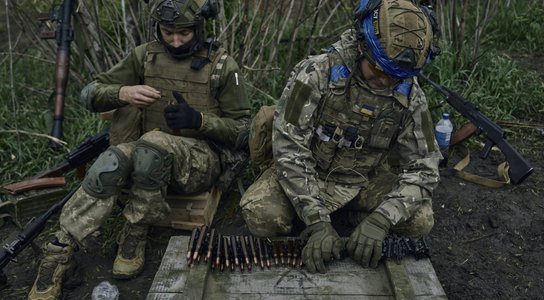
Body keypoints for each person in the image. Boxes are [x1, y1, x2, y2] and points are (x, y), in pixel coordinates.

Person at [29, 0, 250, 298]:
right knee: (112, 160)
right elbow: (89, 93)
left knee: (151, 144)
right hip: (149, 155)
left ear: (197, 28)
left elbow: (243, 131)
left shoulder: (222, 65)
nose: (174, 40)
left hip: (201, 161)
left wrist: (200, 121)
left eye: (183, 33)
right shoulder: (145, 56)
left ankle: (135, 232)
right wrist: (122, 92)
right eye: (168, 32)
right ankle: (60, 248)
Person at [240, 0, 441, 274]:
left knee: (420, 220)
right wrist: (316, 220)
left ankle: (357, 219)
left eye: (397, 76)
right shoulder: (315, 72)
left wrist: (382, 219)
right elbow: (288, 148)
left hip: (363, 179)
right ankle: (327, 221)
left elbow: (425, 167)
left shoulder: (410, 94)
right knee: (262, 217)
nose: (386, 82)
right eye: (379, 70)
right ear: (362, 47)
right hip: (309, 172)